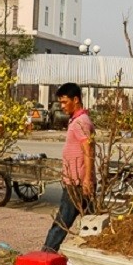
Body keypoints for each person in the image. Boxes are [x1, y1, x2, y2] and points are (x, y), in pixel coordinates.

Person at [41, 83, 95, 253]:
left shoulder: (82, 122)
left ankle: (45, 255)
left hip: (78, 183)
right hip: (77, 181)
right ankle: (95, 255)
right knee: (92, 222)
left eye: (65, 102)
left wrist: (86, 180)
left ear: (76, 99)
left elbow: (89, 151)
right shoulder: (77, 120)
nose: (62, 106)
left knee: (62, 223)